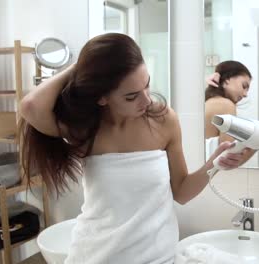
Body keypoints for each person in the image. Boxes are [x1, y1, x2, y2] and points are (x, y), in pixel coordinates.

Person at [18, 33, 244, 264]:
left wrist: (214, 163)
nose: (146, 101)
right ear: (101, 97)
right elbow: (30, 106)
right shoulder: (86, 129)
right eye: (131, 96)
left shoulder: (164, 120)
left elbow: (182, 193)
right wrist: (82, 67)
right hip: (96, 256)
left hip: (157, 258)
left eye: (147, 84)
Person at [204, 60, 259, 160]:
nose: (245, 94)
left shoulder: (210, 102)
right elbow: (228, 158)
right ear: (227, 79)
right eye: (244, 86)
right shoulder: (225, 104)